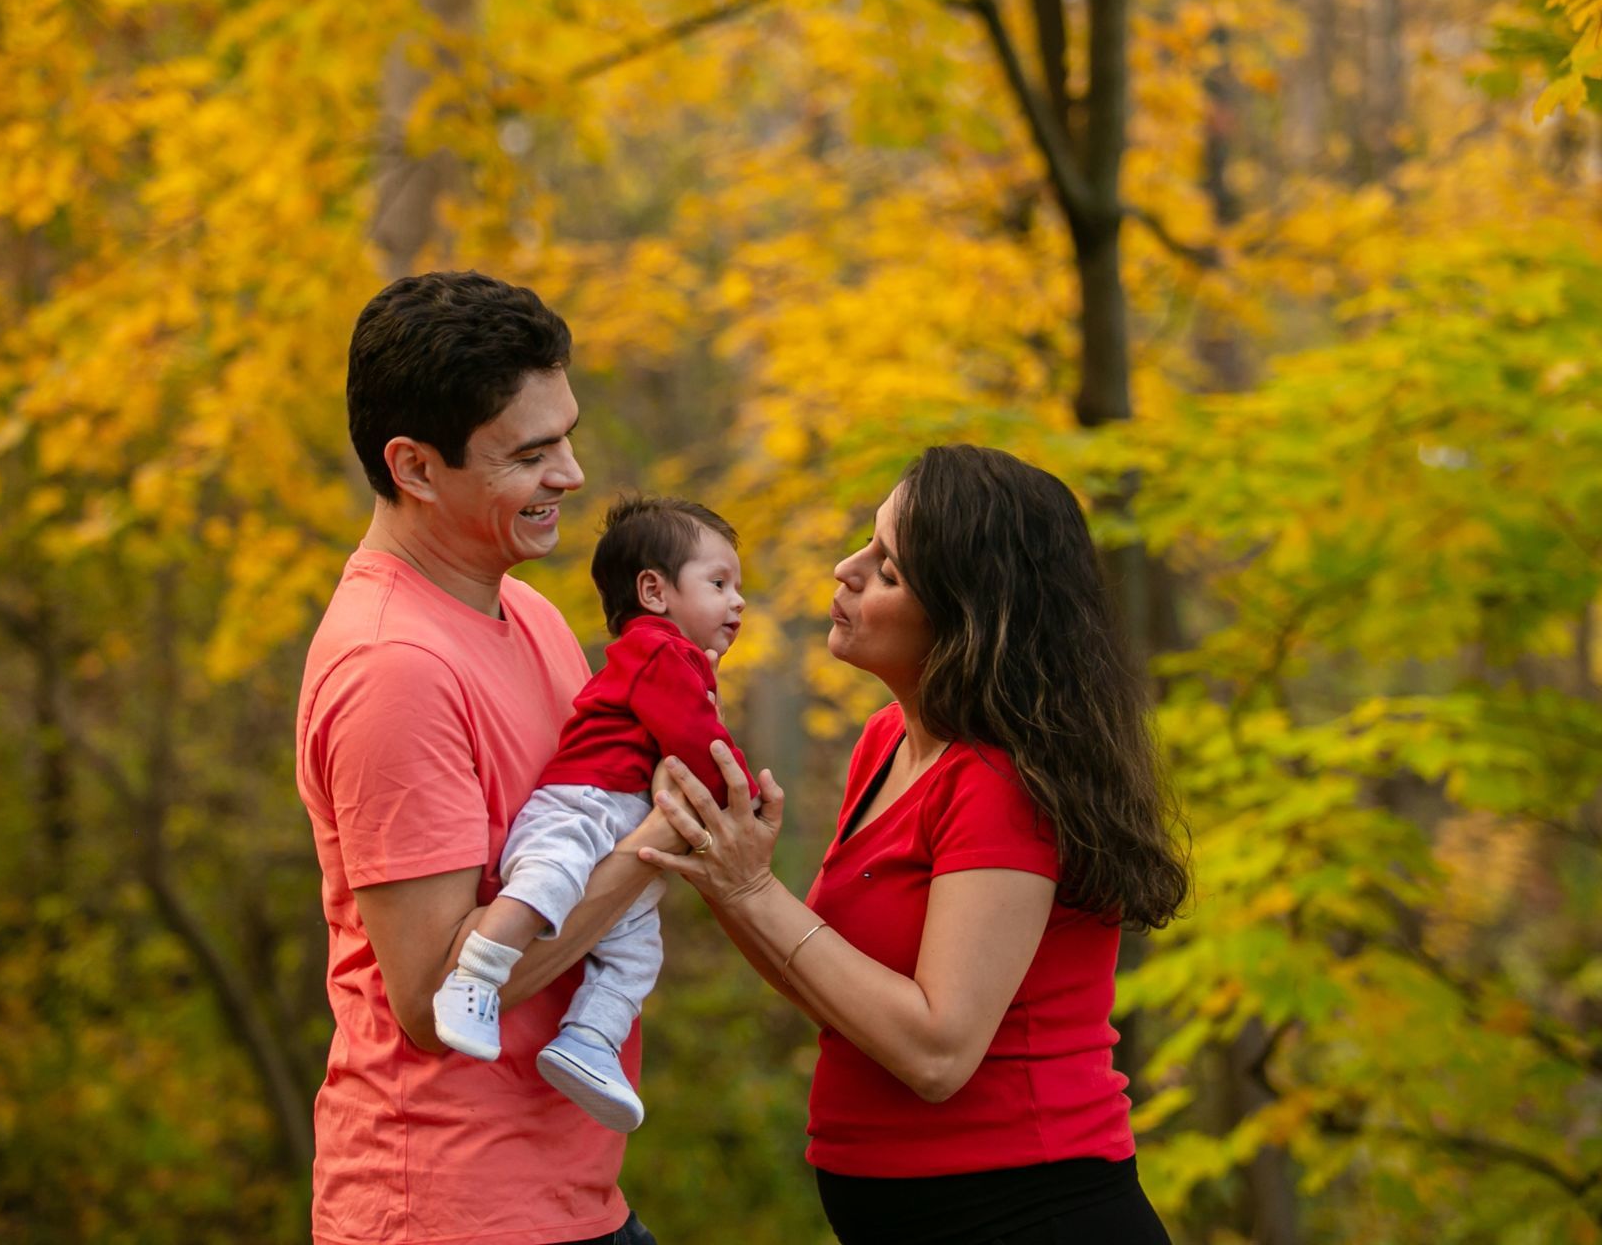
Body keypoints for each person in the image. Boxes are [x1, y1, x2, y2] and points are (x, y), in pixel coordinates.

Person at [642, 444, 1189, 1245]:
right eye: (867, 544)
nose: (845, 569)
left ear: (969, 618)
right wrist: (726, 877)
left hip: (1030, 1213)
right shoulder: (885, 745)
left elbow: (937, 1051)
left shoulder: (999, 784)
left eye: (888, 570)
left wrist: (755, 892)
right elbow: (834, 989)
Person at [296, 271, 683, 1245]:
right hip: (445, 1205)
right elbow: (432, 1000)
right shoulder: (396, 667)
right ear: (416, 467)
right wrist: (657, 845)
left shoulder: (534, 614)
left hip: (568, 1194)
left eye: (569, 433)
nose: (573, 474)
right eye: (532, 452)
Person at [433, 494, 756, 1134]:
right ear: (654, 591)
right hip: (582, 803)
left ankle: (588, 1042)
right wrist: (740, 795)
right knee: (547, 883)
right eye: (719, 583)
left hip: (624, 817)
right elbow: (695, 740)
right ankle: (472, 978)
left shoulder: (681, 659)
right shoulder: (657, 650)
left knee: (637, 950)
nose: (738, 601)